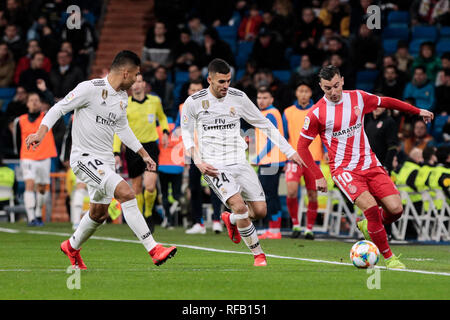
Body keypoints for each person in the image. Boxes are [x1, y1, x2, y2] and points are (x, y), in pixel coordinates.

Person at [25, 50, 177, 269]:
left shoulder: (123, 98)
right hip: (84, 159)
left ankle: (72, 246)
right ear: (125, 73)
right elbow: (59, 108)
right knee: (126, 192)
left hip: (105, 162)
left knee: (99, 213)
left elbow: (123, 129)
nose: (136, 81)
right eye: (135, 75)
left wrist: (144, 154)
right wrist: (41, 132)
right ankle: (154, 249)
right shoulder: (89, 89)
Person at [296, 65, 434, 269]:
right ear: (320, 87)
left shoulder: (358, 97)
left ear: (342, 80)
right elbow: (301, 147)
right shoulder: (316, 113)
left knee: (396, 210)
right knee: (370, 208)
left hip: (370, 164)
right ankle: (390, 258)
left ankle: (367, 225)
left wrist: (417, 111)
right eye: (327, 88)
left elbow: (386, 101)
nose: (333, 92)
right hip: (344, 170)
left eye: (336, 86)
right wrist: (318, 175)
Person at [180, 58, 304, 266]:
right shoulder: (194, 102)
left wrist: (288, 150)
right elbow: (185, 132)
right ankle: (258, 255)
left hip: (239, 160)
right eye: (221, 82)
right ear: (209, 79)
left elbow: (263, 123)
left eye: (228, 81)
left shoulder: (238, 97)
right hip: (214, 165)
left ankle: (230, 219)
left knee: (259, 212)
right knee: (239, 206)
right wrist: (198, 161)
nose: (226, 86)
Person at [113, 73, 170, 231]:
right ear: (131, 86)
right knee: (137, 188)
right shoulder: (125, 104)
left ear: (144, 84)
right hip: (133, 149)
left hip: (150, 147)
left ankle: (148, 214)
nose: (137, 85)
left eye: (140, 81)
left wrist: (165, 131)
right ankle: (140, 220)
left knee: (150, 186)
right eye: (134, 82)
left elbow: (163, 117)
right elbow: (120, 130)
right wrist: (116, 152)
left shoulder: (154, 101)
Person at [175, 79, 223, 234]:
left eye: (197, 90)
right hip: (192, 153)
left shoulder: (212, 105)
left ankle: (217, 221)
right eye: (192, 90)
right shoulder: (182, 108)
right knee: (194, 188)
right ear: (188, 92)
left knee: (215, 186)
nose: (194, 93)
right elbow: (177, 127)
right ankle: (199, 223)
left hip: (210, 151)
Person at [283, 81, 323, 239]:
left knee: (312, 194)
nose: (304, 94)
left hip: (313, 159)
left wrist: (326, 151)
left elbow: (323, 133)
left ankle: (309, 229)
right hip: (294, 158)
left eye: (306, 91)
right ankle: (296, 225)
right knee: (292, 191)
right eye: (301, 91)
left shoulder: (317, 111)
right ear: (296, 93)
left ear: (310, 93)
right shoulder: (288, 112)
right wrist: (286, 155)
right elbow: (285, 136)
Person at [14, 92, 56, 226]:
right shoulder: (20, 120)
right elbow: (16, 139)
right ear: (27, 104)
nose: (34, 102)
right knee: (30, 184)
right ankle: (31, 217)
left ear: (41, 103)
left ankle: (38, 213)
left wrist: (44, 91)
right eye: (31, 100)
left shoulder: (46, 118)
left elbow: (56, 107)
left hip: (44, 156)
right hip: (28, 157)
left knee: (42, 187)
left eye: (37, 100)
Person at [251, 87, 286, 240]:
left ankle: (274, 229)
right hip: (272, 161)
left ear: (271, 99)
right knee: (272, 195)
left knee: (269, 195)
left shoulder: (270, 113)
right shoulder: (268, 113)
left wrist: (258, 158)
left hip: (271, 161)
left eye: (265, 97)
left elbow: (273, 139)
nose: (261, 100)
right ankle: (274, 228)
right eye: (259, 97)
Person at [364, 105, 399, 174]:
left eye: (379, 106)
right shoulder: (367, 121)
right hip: (367, 164)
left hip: (381, 165)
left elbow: (392, 147)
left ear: (384, 107)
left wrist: (386, 166)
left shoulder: (389, 122)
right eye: (375, 105)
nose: (376, 108)